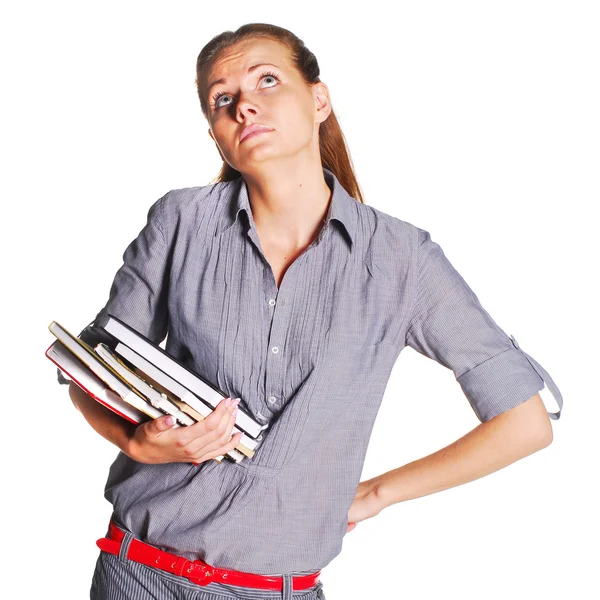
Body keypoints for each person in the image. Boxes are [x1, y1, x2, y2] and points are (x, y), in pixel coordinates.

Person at [57, 22, 563, 600]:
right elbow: (89, 371)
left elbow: (524, 423)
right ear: (216, 133)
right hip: (135, 577)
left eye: (266, 80)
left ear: (318, 100)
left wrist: (376, 493)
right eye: (223, 99)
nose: (245, 105)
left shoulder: (402, 260)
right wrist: (139, 444)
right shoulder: (181, 222)